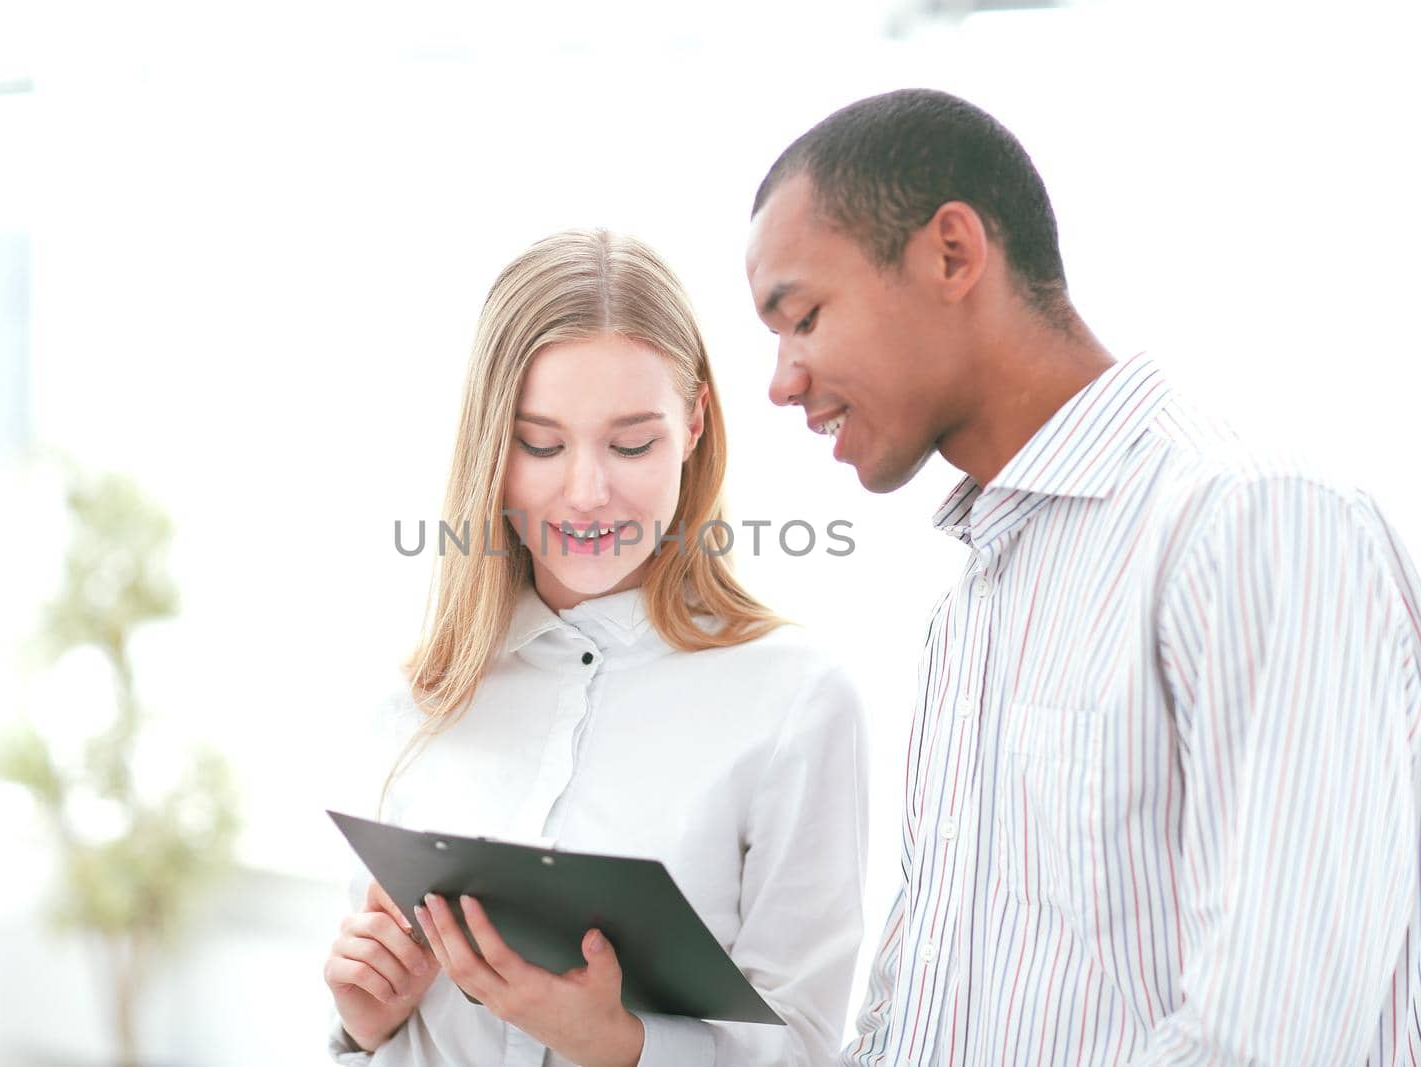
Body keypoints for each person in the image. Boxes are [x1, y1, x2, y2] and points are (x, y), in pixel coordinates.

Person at [745, 88, 1421, 1065]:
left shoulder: (1253, 522)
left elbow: (1277, 1030)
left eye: (802, 316)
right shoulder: (970, 608)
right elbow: (914, 1020)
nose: (781, 379)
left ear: (951, 253)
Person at [323, 228, 868, 1066]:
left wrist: (623, 1045)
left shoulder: (794, 701)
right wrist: (365, 1029)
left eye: (631, 443)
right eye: (541, 443)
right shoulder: (422, 700)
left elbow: (805, 1049)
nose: (585, 491)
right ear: (491, 447)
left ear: (693, 425)